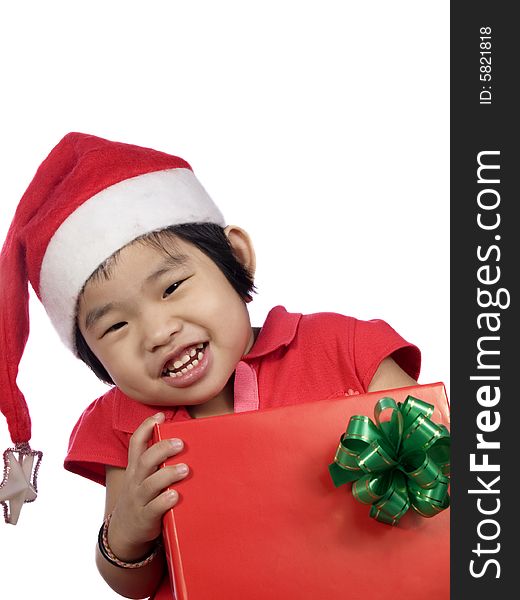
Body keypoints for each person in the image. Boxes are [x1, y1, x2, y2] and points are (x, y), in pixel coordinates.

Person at [0, 132, 420, 599]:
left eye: (172, 287)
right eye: (116, 326)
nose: (158, 333)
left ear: (236, 259)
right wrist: (129, 530)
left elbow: (444, 456)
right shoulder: (126, 425)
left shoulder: (341, 347)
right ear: (90, 356)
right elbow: (132, 583)